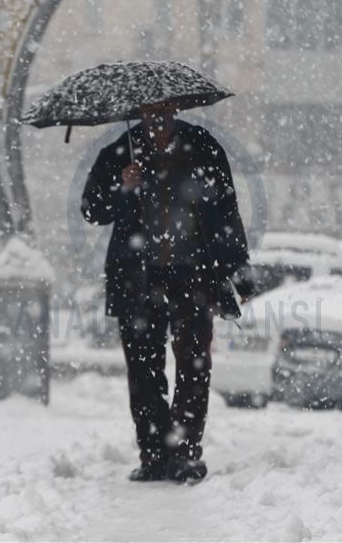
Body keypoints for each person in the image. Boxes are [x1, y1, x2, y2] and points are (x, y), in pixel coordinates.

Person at [81, 101, 254, 483]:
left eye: (163, 110)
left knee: (194, 369)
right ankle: (155, 455)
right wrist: (121, 187)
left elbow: (227, 213)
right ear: (140, 112)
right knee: (144, 373)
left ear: (175, 108)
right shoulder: (119, 152)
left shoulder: (204, 148)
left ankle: (186, 455)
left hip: (194, 279)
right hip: (136, 283)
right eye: (149, 111)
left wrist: (239, 272)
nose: (156, 119)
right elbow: (91, 210)